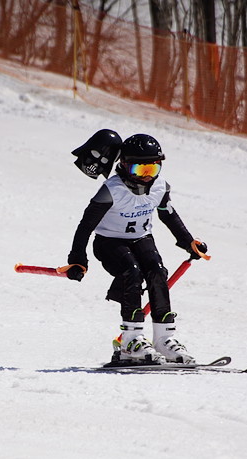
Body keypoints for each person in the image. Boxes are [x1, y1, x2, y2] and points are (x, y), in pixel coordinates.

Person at [66, 131, 207, 365]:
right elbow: (86, 225)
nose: (146, 177)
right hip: (110, 243)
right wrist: (77, 258)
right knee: (132, 272)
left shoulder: (160, 187)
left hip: (142, 238)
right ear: (124, 165)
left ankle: (164, 338)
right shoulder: (112, 190)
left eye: (152, 170)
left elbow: (169, 215)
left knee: (157, 271)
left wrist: (188, 241)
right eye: (140, 170)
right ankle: (130, 341)